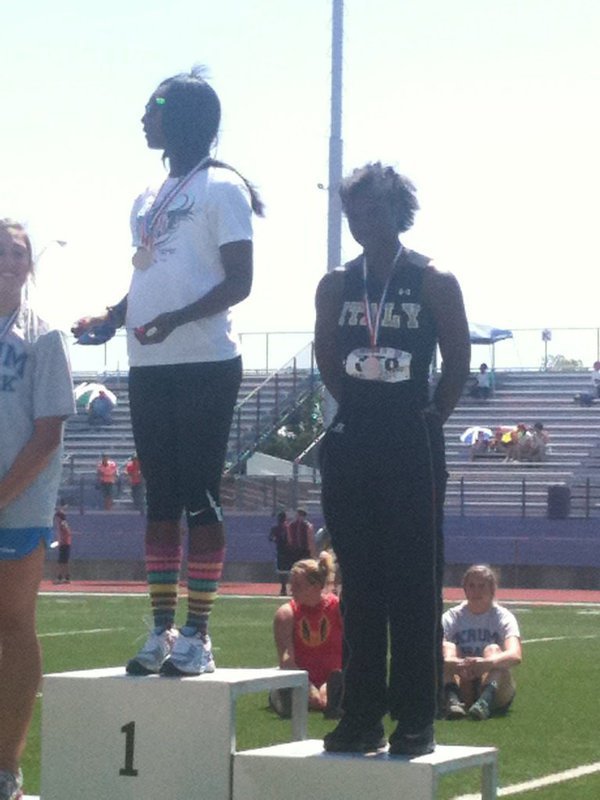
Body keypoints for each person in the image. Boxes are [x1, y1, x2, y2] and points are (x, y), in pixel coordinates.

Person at [72, 67, 264, 677]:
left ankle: (199, 636)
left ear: (183, 118)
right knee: (158, 499)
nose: (143, 118)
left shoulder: (223, 188)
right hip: (148, 363)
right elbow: (146, 278)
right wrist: (112, 317)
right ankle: (161, 630)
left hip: (206, 362)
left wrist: (177, 320)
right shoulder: (147, 199)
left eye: (153, 107)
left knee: (199, 494)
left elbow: (240, 282)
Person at [315, 163, 470, 755]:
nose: (361, 220)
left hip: (411, 437)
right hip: (355, 435)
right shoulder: (336, 283)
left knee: (413, 581)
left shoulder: (434, 279)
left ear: (397, 210)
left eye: (373, 209)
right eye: (352, 210)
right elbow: (328, 354)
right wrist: (354, 403)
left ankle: (415, 717)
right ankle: (360, 715)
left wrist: (433, 417)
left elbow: (455, 360)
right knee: (360, 584)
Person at [0, 219, 74, 800]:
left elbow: (48, 432)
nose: (7, 258)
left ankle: (6, 766)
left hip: (17, 507)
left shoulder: (43, 337)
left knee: (14, 626)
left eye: (17, 251)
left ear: (30, 266)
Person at [442, 564, 522, 721]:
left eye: (481, 586)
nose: (476, 591)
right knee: (447, 648)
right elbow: (431, 651)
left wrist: (486, 664)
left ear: (492, 589)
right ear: (464, 589)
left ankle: (484, 701)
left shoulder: (503, 617)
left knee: (493, 650)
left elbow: (515, 654)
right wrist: (457, 663)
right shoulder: (452, 616)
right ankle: (453, 700)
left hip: (493, 682)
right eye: (471, 586)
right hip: (462, 679)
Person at [270, 554, 343, 719]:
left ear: (315, 585)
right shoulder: (286, 614)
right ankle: (279, 693)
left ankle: (334, 695)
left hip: (332, 676)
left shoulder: (337, 608)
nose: (291, 589)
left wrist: (325, 686)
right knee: (317, 700)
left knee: (327, 697)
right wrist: (308, 685)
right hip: (301, 676)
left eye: (297, 585)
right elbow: (286, 658)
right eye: (291, 584)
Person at [268, 510, 293, 596]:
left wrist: (276, 540)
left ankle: (284, 587)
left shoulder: (279, 528)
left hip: (282, 550)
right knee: (286, 570)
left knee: (283, 570)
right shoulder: (286, 527)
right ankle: (285, 587)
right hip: (286, 551)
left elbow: (270, 538)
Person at [53, 503, 72, 583]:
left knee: (61, 562)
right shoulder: (62, 523)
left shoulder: (62, 523)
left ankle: (60, 577)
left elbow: (68, 532)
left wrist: (61, 541)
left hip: (65, 544)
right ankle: (66, 577)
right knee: (63, 562)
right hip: (64, 544)